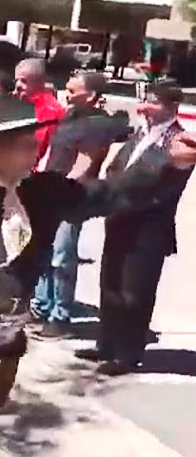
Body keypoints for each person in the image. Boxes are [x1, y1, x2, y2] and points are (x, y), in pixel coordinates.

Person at [0, 94, 196, 456]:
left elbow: (109, 194)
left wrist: (167, 161)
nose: (35, 149)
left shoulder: (42, 191)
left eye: (34, 140)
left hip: (3, 344)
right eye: (23, 144)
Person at [75, 80, 193, 375]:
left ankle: (127, 355)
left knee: (135, 292)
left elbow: (161, 184)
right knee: (110, 283)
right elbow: (119, 169)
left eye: (153, 101)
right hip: (119, 220)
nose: (144, 107)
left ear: (170, 106)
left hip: (147, 229)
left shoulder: (180, 142)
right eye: (145, 100)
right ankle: (107, 344)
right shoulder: (141, 133)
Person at [31, 71, 128, 338]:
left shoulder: (97, 125)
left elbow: (84, 165)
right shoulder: (70, 118)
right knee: (45, 254)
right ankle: (42, 307)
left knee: (62, 258)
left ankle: (60, 316)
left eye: (73, 92)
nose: (67, 95)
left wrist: (60, 189)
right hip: (50, 193)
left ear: (92, 95)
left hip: (71, 197)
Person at [14, 58, 64, 165]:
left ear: (39, 82)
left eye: (24, 81)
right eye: (16, 80)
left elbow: (36, 150)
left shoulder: (51, 111)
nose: (18, 85)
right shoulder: (16, 102)